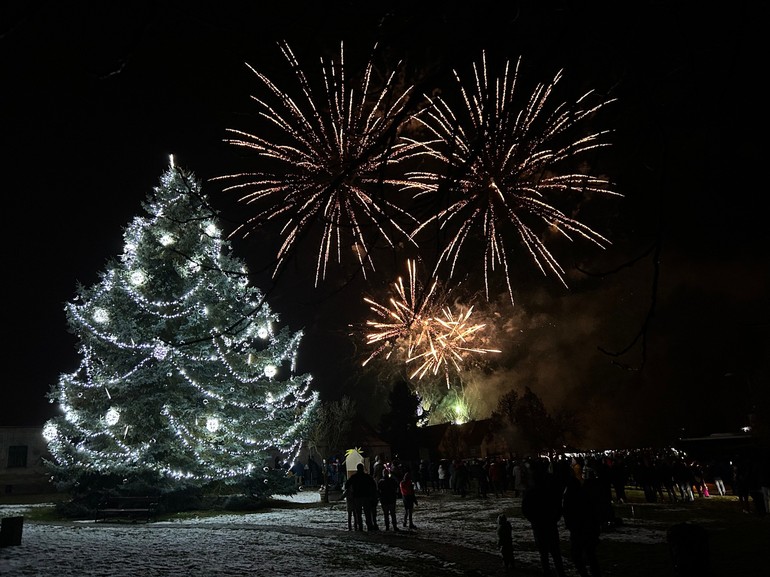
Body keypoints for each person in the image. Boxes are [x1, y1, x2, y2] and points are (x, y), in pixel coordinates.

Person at [521, 460, 567, 577]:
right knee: (555, 552)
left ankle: (548, 572)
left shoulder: (531, 491)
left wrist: (533, 519)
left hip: (539, 524)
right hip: (549, 523)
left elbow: (525, 509)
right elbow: (557, 504)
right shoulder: (549, 488)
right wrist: (555, 517)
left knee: (544, 553)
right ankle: (560, 572)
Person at [562, 472, 602, 577]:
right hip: (589, 528)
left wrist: (570, 525)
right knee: (590, 554)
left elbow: (567, 513)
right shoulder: (585, 494)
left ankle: (584, 573)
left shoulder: (569, 497)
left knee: (577, 554)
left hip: (578, 529)